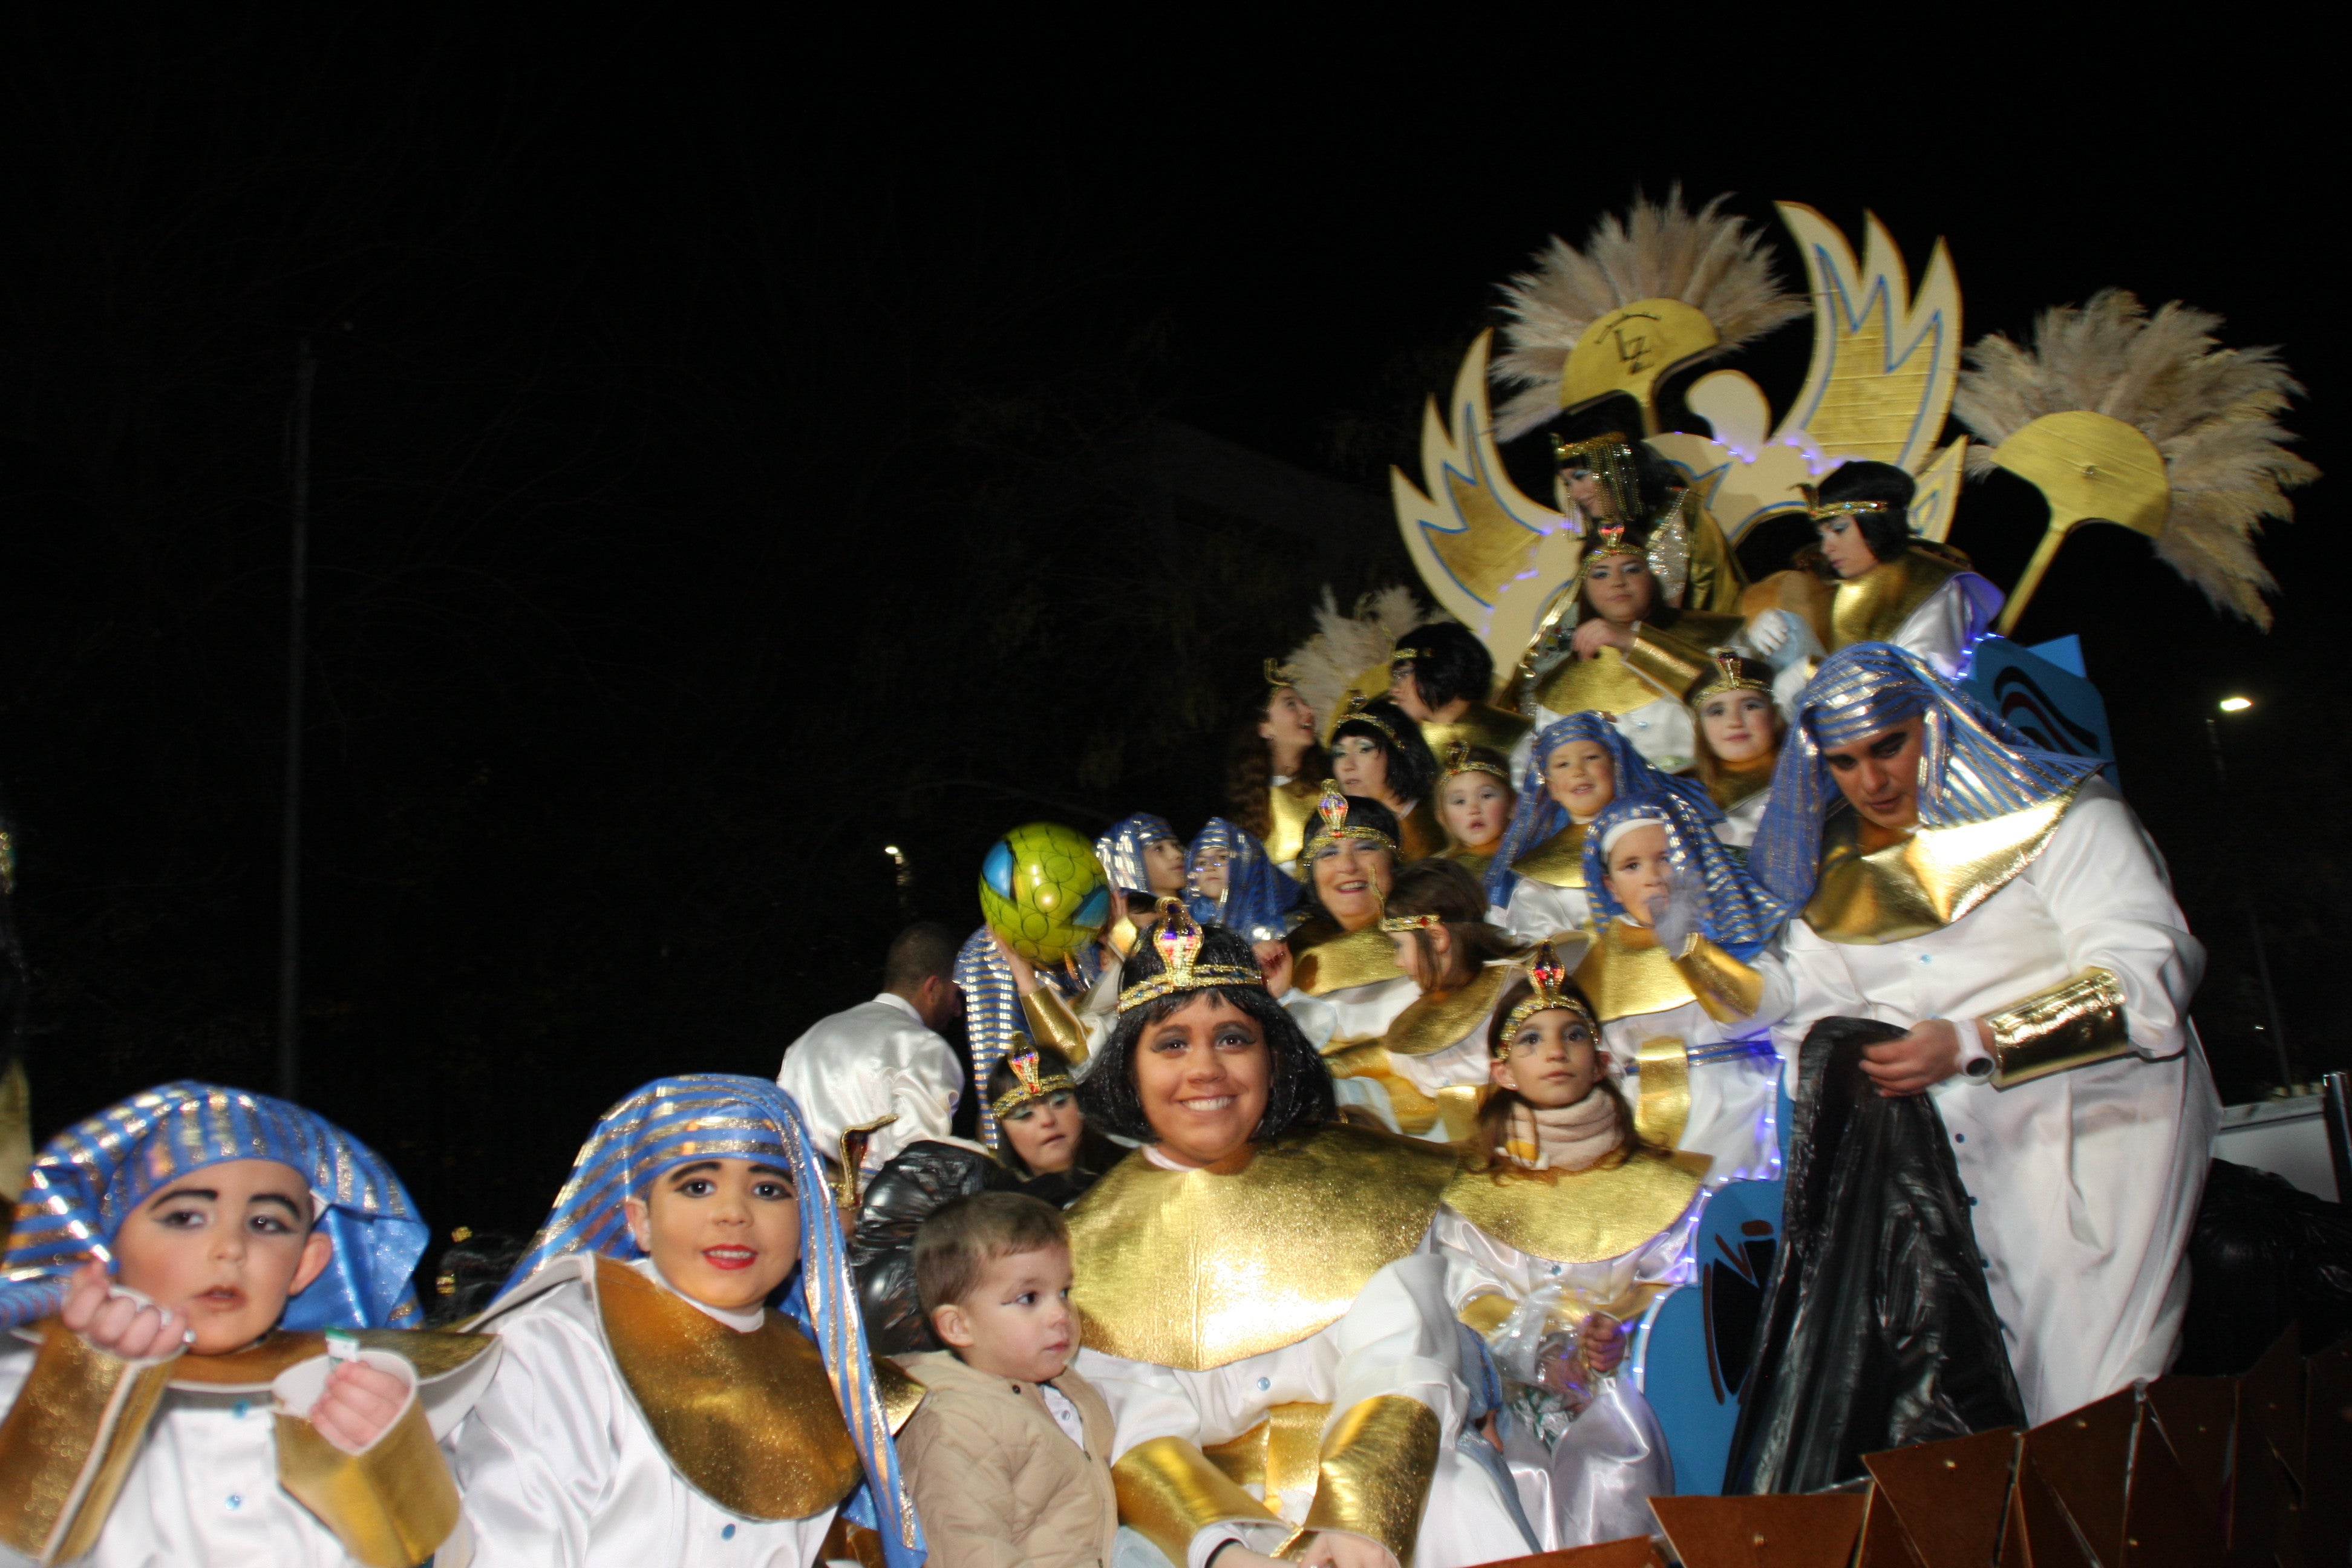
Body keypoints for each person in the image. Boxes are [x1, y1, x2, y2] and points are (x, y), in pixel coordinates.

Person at [1746, 642, 2217, 1423]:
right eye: (1844, 762)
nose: (1872, 782)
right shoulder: (1827, 876)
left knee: (2105, 1399)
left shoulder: (2070, 817)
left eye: (1889, 746)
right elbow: (1811, 1031)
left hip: (2104, 1138)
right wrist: (1862, 1063)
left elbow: (2149, 989)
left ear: (1935, 722)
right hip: (1937, 1180)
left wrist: (1978, 1041)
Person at [1067, 907, 1533, 1568]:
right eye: (1171, 1044)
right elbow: (1136, 1430)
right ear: (1129, 1072)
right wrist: (1225, 1552)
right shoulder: (1084, 1245)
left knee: (1453, 1501)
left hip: (1385, 1500)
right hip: (1211, 1530)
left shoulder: (1369, 1183)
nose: (1205, 1069)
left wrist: (1363, 1518)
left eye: (1233, 1039)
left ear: (1274, 1056)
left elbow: (1402, 1357)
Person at [0, 1082, 484, 1568]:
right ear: (105, 1247)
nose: (230, 1248)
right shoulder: (25, 1383)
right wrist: (84, 1388)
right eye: (186, 1217)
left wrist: (392, 1458)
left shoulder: (353, 1389)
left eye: (265, 1224)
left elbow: (453, 1556)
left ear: (306, 1263)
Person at [453, 1074, 924, 1567]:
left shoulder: (829, 1381)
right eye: (698, 1186)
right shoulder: (562, 1345)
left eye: (768, 1190)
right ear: (641, 1221)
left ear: (807, 1222)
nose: (733, 1213)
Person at [1432, 950, 1702, 1549]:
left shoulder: (1662, 1185)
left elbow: (1673, 1281)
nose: (1556, 1052)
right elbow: (1467, 1293)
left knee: (1615, 1483)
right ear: (1503, 1072)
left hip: (1632, 1407)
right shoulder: (1470, 1194)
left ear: (1601, 1061)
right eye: (1531, 1040)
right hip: (1509, 1413)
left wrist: (1619, 1330)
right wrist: (1538, 1354)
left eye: (1573, 1035)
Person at [1576, 795, 1794, 1182]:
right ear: (1611, 887)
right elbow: (1604, 1065)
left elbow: (1763, 1012)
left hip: (1746, 1101)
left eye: (1666, 858)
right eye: (1632, 866)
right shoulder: (1598, 967)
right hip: (1647, 1127)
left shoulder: (1736, 931)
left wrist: (1694, 951)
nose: (1653, 877)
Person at [895, 1192, 1119, 1568]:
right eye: (1029, 1298)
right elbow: (967, 1551)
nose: (1061, 1314)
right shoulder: (955, 1424)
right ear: (958, 1326)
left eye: (1064, 1292)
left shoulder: (1068, 1387)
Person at [1363, 858, 1561, 1144]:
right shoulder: (1442, 1000)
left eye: (1399, 946)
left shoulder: (1516, 999)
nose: (1399, 962)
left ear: (1437, 938)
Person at [1485, 713, 1719, 942]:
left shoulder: (1664, 829)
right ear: (1551, 787)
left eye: (1591, 758)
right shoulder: (1539, 886)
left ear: (1616, 766)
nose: (1578, 771)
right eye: (1563, 764)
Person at [779, 920, 967, 1192]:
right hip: (871, 1211)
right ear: (933, 987)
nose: (957, 1009)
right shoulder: (924, 1047)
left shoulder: (806, 1041)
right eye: (956, 995)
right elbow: (920, 1168)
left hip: (801, 1205)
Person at [1783, 462, 2003, 681]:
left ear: (1875, 524)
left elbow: (1921, 683)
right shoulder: (1845, 591)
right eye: (1823, 535)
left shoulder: (1932, 588)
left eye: (1839, 529)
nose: (1826, 548)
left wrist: (1815, 673)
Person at [1279, 788, 1420, 1105]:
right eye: (1328, 853)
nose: (1347, 866)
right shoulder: (1291, 954)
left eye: (1366, 847)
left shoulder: (1432, 940)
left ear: (1394, 861)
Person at [1387, 622, 1534, 778]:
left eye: (1403, 675)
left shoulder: (1524, 738)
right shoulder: (1393, 742)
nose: (1394, 690)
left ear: (1438, 672)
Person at [1227, 662, 1328, 873]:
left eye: (1305, 703)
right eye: (1291, 704)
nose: (1308, 710)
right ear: (1265, 727)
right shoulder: (1251, 807)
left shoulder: (1332, 786)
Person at [1687, 649, 1783, 851]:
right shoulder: (1683, 800)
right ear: (1700, 727)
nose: (1734, 722)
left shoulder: (1814, 775)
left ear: (1775, 715)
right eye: (1717, 711)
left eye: (1750, 706)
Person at [1328, 696, 1446, 861]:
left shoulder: (1439, 823)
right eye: (1340, 753)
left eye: (1364, 749)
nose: (1348, 765)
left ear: (1396, 754)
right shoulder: (1337, 827)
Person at [1186, 816, 1303, 958]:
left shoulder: (1286, 930)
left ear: (1246, 863)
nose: (1210, 867)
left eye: (1223, 857)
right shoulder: (1188, 929)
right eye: (1202, 863)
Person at [1432, 743, 1517, 880]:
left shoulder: (1527, 864)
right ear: (1442, 817)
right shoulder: (1436, 874)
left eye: (1486, 796)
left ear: (1513, 804)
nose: (1473, 809)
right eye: (1460, 801)